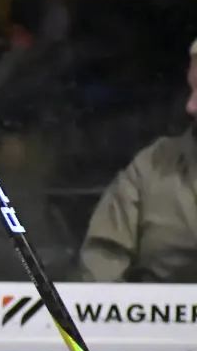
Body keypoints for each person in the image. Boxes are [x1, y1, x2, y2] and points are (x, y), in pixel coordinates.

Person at [78, 35, 197, 283]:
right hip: (159, 317)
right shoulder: (154, 164)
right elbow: (102, 261)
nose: (191, 106)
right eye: (193, 87)